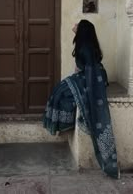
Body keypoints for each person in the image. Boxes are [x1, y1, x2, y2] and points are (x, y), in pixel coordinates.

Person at [43, 19, 119, 179]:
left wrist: (85, 89)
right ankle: (62, 123)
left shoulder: (86, 48)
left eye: (77, 24)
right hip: (85, 76)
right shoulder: (83, 45)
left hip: (91, 79)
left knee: (61, 92)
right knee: (60, 90)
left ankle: (64, 124)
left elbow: (91, 73)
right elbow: (80, 68)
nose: (74, 25)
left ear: (82, 30)